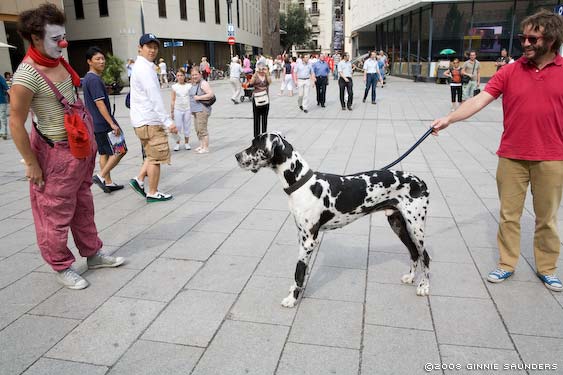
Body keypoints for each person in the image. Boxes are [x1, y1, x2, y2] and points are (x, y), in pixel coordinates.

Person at [432, 10, 563, 292]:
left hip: (552, 157)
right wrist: (449, 119)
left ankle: (547, 268)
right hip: (512, 155)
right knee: (509, 215)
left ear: (550, 40)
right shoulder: (510, 71)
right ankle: (506, 264)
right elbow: (480, 100)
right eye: (522, 37)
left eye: (532, 38)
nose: (525, 43)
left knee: (547, 218)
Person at [10, 3, 125, 290]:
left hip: (79, 150)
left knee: (83, 205)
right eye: (55, 38)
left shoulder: (58, 59)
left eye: (63, 36)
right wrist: (31, 163)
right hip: (54, 154)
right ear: (35, 39)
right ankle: (61, 265)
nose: (63, 43)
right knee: (55, 213)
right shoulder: (26, 76)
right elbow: (15, 123)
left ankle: (93, 253)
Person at [129, 33, 178, 202]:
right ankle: (152, 192)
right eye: (148, 47)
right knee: (156, 158)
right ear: (140, 48)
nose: (152, 50)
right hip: (150, 121)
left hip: (141, 121)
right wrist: (167, 121)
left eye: (155, 47)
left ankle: (139, 179)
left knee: (150, 154)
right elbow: (154, 97)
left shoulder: (140, 66)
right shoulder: (144, 69)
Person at [82, 46, 127, 193]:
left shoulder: (88, 78)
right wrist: (112, 123)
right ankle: (101, 176)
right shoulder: (94, 80)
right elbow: (100, 104)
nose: (102, 61)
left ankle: (108, 182)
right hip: (103, 123)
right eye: (97, 59)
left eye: (103, 58)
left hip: (95, 124)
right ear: (89, 61)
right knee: (121, 150)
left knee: (104, 153)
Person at [189, 66, 214, 153]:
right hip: (196, 110)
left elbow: (210, 94)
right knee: (197, 129)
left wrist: (199, 97)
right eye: (192, 75)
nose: (194, 76)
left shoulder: (203, 83)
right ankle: (201, 145)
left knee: (202, 129)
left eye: (196, 74)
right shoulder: (194, 83)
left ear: (200, 74)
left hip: (202, 109)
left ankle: (206, 147)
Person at [170, 69, 192, 151]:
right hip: (178, 108)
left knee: (187, 126)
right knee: (178, 126)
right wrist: (172, 111)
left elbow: (192, 97)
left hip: (187, 108)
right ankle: (177, 143)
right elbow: (172, 99)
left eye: (181, 75)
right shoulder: (174, 87)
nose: (180, 77)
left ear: (184, 76)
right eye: (178, 75)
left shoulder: (189, 86)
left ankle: (187, 142)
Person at [249, 62, 271, 137]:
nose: (261, 70)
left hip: (265, 98)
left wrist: (267, 73)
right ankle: (256, 136)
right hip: (256, 98)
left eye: (263, 68)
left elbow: (270, 82)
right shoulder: (255, 75)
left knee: (265, 118)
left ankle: (264, 135)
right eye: (260, 68)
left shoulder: (266, 75)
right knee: (256, 118)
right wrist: (255, 73)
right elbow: (251, 83)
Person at [0, 73, 9, 139]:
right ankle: (1, 132)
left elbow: (6, 86)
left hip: (1, 100)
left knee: (2, 117)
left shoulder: (0, 77)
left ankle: (4, 132)